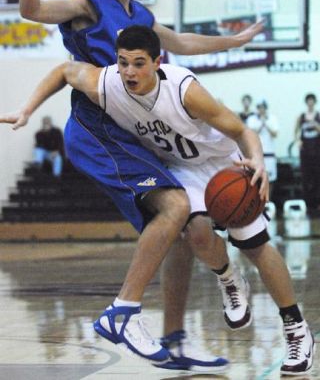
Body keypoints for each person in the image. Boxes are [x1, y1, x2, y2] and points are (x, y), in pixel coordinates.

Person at [17, 0, 265, 371]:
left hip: (138, 134)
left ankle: (173, 341)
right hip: (98, 128)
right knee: (173, 208)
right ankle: (124, 312)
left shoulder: (140, 15)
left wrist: (231, 41)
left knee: (186, 229)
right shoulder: (85, 4)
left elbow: (181, 42)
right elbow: (31, 10)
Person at [0, 25, 315, 376]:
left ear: (157, 62)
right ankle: (229, 279)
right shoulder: (109, 83)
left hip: (221, 168)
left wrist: (256, 159)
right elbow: (65, 70)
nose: (130, 72)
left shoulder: (185, 90)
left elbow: (242, 130)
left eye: (139, 64)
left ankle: (296, 328)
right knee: (195, 232)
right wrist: (27, 109)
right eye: (123, 63)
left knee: (255, 245)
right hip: (180, 169)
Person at [246, 99, 278, 199]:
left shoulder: (272, 118)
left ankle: (268, 201)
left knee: (270, 179)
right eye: (259, 107)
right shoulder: (252, 119)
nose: (261, 109)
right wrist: (261, 124)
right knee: (256, 178)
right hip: (256, 155)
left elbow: (275, 133)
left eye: (263, 107)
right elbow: (250, 133)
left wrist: (266, 123)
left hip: (269, 154)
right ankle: (257, 203)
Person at [294, 93, 320, 211]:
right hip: (305, 152)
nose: (310, 102)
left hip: (317, 151)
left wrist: (316, 126)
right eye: (308, 100)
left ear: (315, 102)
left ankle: (317, 203)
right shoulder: (301, 116)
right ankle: (308, 203)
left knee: (317, 177)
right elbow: (296, 131)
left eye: (312, 100)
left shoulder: (318, 116)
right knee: (306, 177)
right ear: (306, 102)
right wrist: (298, 140)